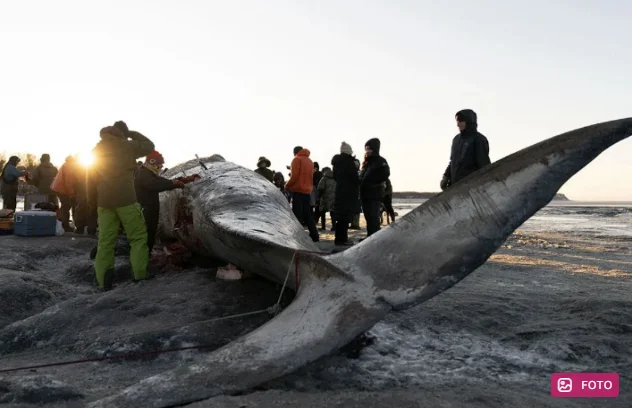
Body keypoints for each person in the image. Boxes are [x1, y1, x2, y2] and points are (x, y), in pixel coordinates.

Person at [91, 120, 155, 291]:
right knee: (138, 237)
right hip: (126, 199)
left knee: (105, 241)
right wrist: (132, 134)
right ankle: (140, 274)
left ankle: (103, 281)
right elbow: (150, 146)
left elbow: (90, 176)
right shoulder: (128, 146)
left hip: (104, 201)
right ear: (123, 134)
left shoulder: (97, 149)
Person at [134, 150, 185, 254]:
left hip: (149, 208)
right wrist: (173, 184)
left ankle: (145, 254)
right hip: (145, 209)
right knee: (146, 233)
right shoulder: (143, 173)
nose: (161, 167)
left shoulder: (148, 172)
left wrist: (175, 181)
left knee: (150, 232)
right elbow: (155, 184)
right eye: (159, 164)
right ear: (152, 162)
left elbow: (160, 180)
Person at [441, 109, 491, 190]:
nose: (458, 124)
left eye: (461, 121)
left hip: (471, 188)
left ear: (469, 121)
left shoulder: (479, 139)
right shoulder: (456, 140)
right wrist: (446, 177)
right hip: (454, 186)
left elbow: (484, 166)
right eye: (457, 121)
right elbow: (453, 161)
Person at [285, 146, 319, 242]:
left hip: (298, 190)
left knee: (297, 215)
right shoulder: (309, 161)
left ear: (295, 152)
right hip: (307, 190)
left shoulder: (296, 159)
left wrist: (287, 186)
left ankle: (297, 236)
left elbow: (294, 176)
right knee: (308, 215)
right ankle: (314, 235)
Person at [359, 138, 390, 237]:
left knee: (374, 217)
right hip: (365, 194)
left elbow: (385, 174)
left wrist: (372, 182)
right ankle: (369, 236)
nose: (367, 151)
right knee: (368, 217)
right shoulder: (366, 163)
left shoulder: (380, 161)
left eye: (369, 148)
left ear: (374, 149)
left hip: (374, 194)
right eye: (366, 149)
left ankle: (375, 237)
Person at [331, 142, 359, 245]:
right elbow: (354, 179)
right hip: (348, 192)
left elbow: (336, 177)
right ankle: (342, 239)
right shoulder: (349, 163)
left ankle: (339, 238)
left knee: (340, 216)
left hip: (340, 191)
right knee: (345, 216)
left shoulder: (336, 163)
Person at [56, 156, 79, 232]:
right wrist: (71, 192)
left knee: (65, 207)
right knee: (67, 207)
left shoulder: (64, 165)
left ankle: (64, 224)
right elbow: (69, 181)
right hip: (65, 190)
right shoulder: (70, 166)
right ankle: (65, 226)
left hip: (60, 189)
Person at [74, 165, 98, 237]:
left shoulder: (79, 169)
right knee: (92, 212)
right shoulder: (97, 169)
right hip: (93, 194)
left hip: (82, 193)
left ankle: (79, 229)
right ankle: (91, 230)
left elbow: (74, 183)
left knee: (80, 211)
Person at [316, 166, 335, 231]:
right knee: (332, 212)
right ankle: (334, 226)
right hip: (334, 197)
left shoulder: (324, 178)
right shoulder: (335, 178)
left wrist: (318, 197)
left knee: (322, 212)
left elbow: (320, 188)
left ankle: (323, 226)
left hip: (324, 197)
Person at [350, 157, 362, 230]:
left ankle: (356, 224)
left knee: (357, 209)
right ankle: (352, 223)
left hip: (357, 194)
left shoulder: (359, 172)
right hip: (351, 193)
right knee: (352, 209)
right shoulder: (351, 172)